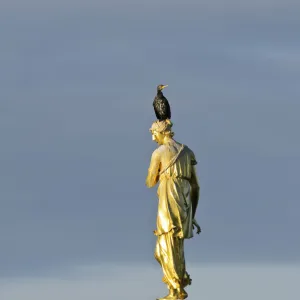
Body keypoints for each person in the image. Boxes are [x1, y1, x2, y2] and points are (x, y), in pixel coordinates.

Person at [146, 119, 201, 300]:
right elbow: (196, 187)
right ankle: (178, 285)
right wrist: (193, 213)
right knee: (176, 247)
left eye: (154, 133)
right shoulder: (187, 152)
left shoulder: (159, 152)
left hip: (168, 201)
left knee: (165, 247)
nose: (153, 138)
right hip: (185, 202)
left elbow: (150, 182)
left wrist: (159, 172)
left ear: (161, 132)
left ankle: (176, 289)